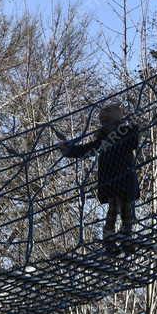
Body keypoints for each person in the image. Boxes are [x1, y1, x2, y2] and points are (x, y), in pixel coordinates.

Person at [59, 102, 140, 253]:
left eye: (108, 122)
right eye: (104, 123)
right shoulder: (104, 140)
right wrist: (69, 150)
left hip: (122, 178)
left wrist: (131, 127)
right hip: (113, 180)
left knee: (126, 209)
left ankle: (125, 238)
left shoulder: (125, 133)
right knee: (115, 208)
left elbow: (133, 141)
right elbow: (87, 150)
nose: (106, 126)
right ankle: (111, 239)